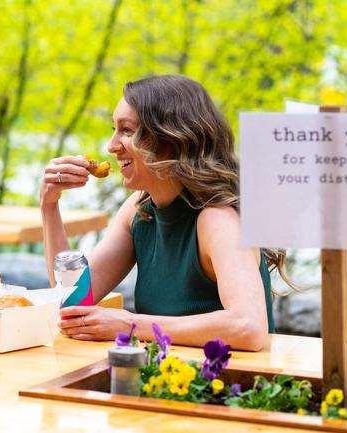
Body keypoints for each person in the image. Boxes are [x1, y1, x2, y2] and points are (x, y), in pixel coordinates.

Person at [40, 75, 287, 351]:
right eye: (114, 129)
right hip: (162, 377)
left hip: (225, 386)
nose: (111, 146)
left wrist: (129, 326)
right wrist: (49, 205)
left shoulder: (218, 219)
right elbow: (72, 299)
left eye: (127, 130)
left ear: (170, 139)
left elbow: (249, 327)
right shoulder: (139, 210)